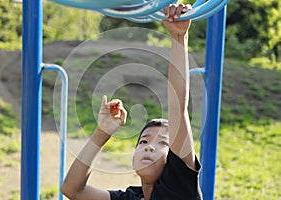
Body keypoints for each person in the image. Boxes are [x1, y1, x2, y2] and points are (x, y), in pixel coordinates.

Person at [61, 3, 202, 200]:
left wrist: (179, 37)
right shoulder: (131, 197)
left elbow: (177, 106)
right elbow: (72, 190)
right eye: (143, 141)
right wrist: (102, 133)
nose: (149, 146)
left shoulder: (179, 188)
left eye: (163, 143)